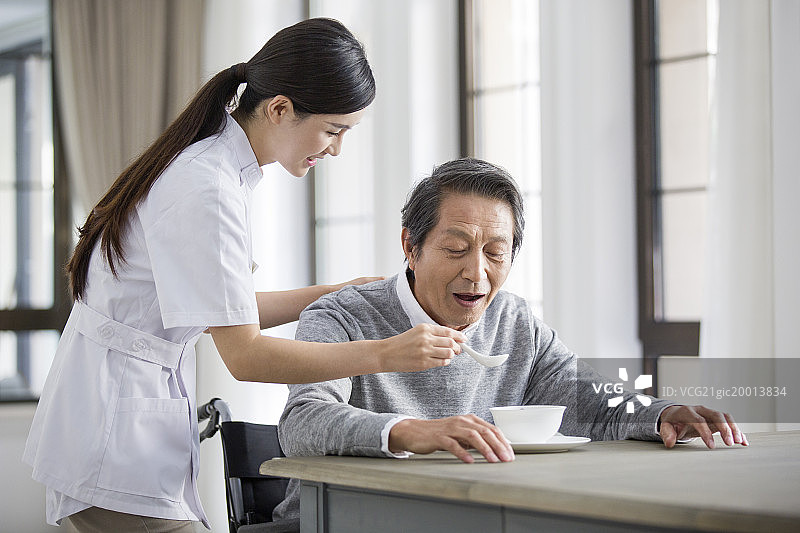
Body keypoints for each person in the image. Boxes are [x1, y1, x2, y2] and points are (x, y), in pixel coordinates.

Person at [23, 18, 466, 532]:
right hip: (112, 443)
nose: (337, 149)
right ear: (280, 108)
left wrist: (331, 294)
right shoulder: (206, 188)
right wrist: (388, 355)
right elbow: (246, 354)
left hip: (116, 426)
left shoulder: (215, 169)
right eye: (333, 130)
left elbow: (220, 306)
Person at [272, 157, 747, 522]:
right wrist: (414, 432)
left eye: (496, 253)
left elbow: (588, 400)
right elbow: (303, 422)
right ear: (410, 247)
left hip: (467, 518)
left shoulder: (513, 319)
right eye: (456, 249)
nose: (476, 273)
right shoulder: (342, 316)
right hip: (339, 521)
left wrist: (661, 413)